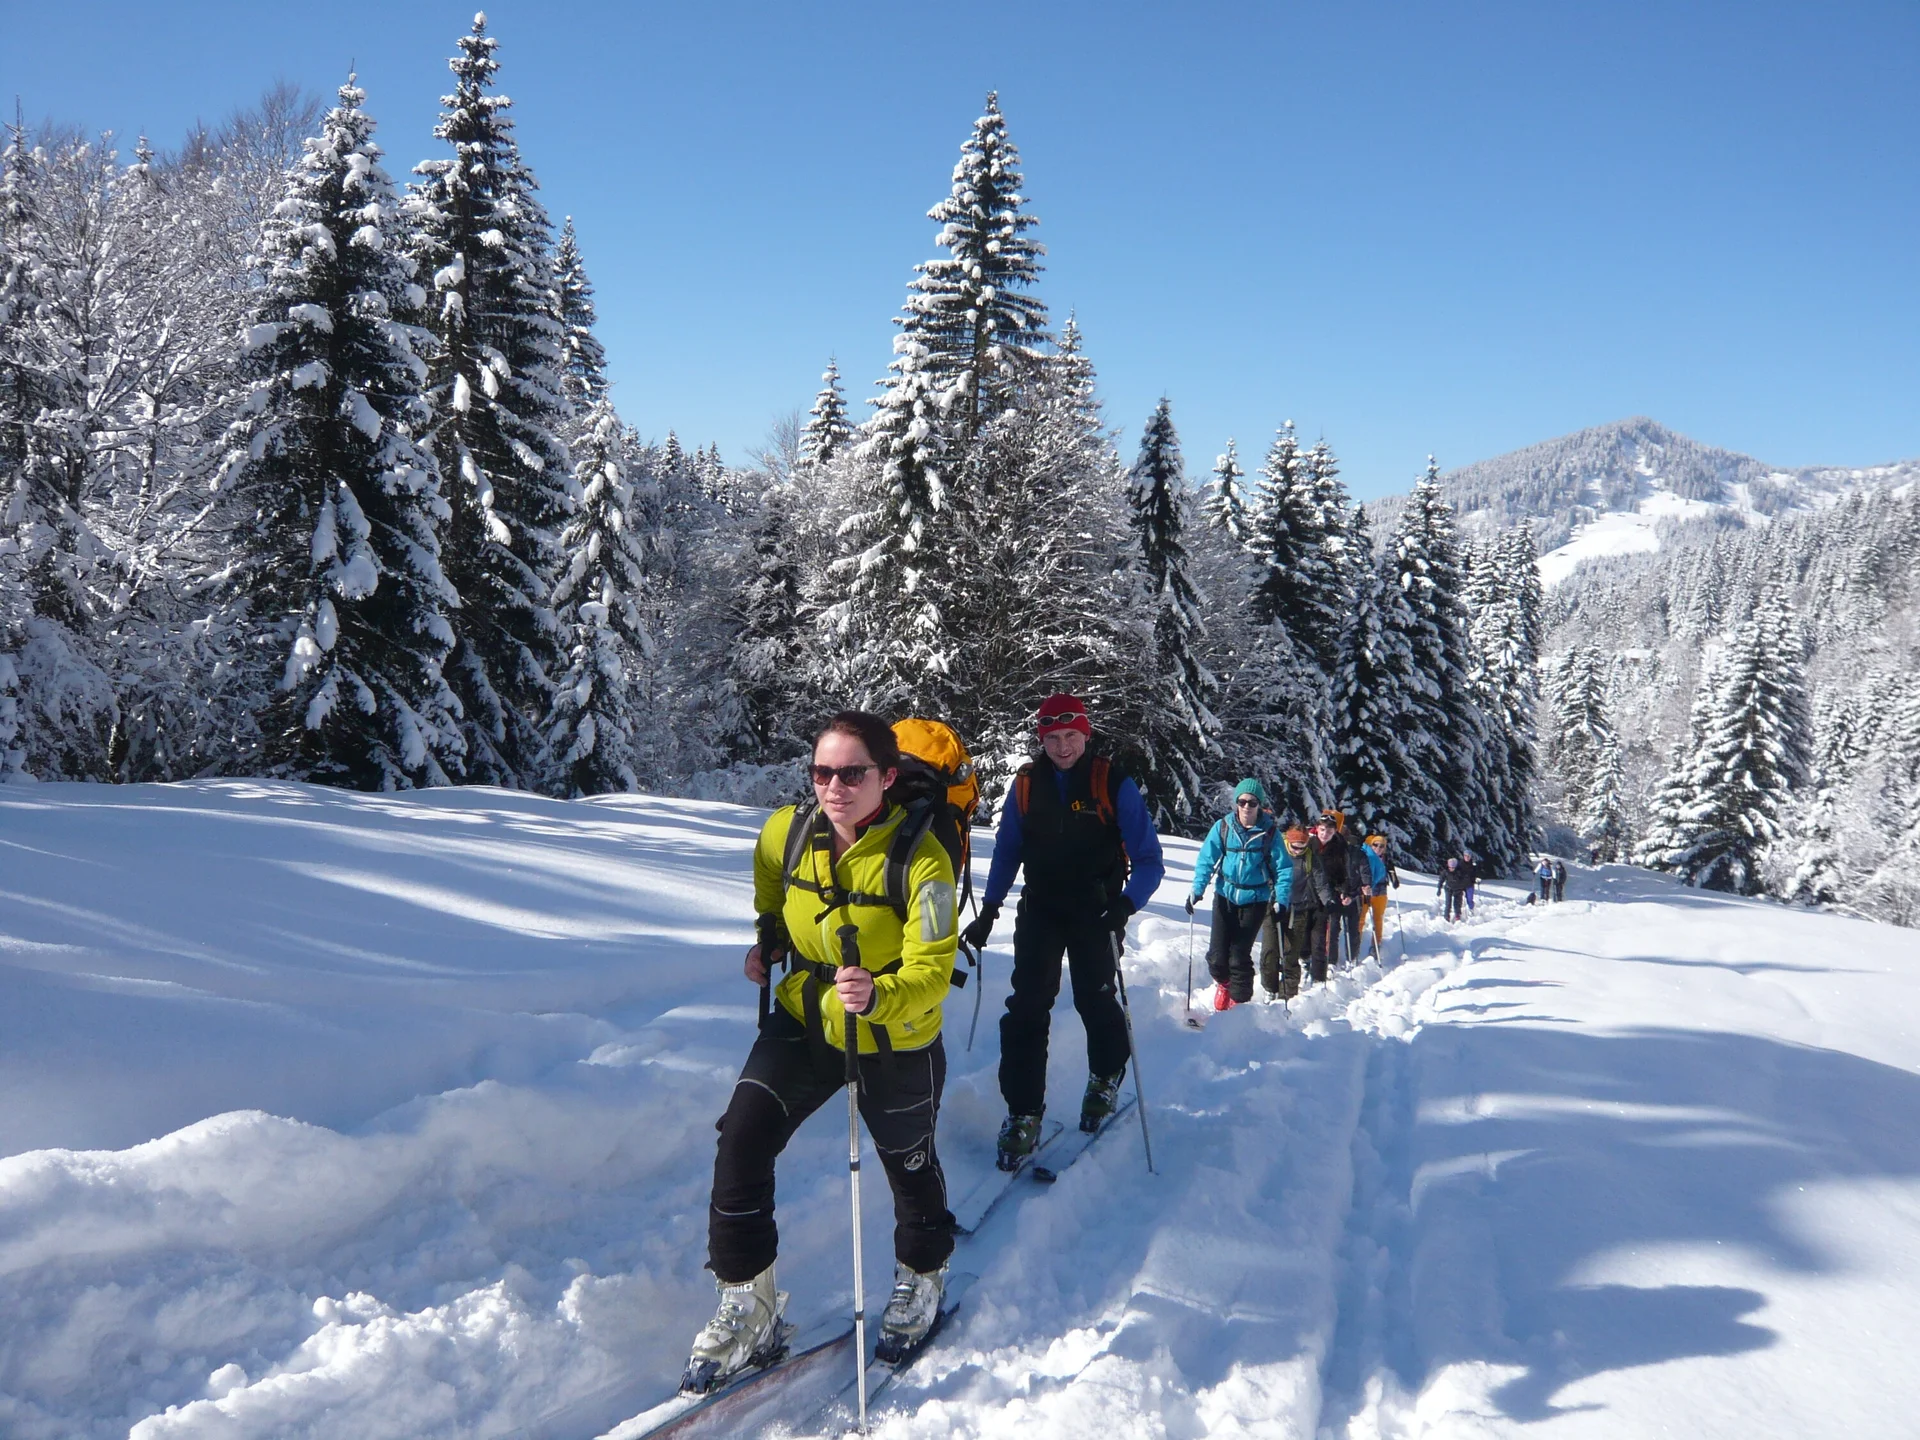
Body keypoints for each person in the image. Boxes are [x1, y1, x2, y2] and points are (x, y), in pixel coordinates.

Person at [687, 712, 960, 1389]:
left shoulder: (923, 859)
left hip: (894, 1031)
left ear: (886, 777)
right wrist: (771, 940)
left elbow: (932, 967)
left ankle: (921, 1275)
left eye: (852, 773)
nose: (834, 786)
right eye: (822, 772)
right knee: (742, 1137)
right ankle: (746, 1300)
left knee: (907, 1160)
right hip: (807, 1015)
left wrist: (879, 992)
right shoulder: (788, 829)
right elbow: (772, 887)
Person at [963, 694, 1166, 1169]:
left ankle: (1106, 1073)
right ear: (1041, 740)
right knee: (1026, 1008)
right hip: (1041, 909)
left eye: (1070, 735)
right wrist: (990, 908)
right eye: (1051, 738)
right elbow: (1008, 846)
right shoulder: (1028, 785)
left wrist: (1125, 905)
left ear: (1086, 734)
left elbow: (1150, 861)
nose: (1061, 746)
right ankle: (1023, 1112)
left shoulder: (1111, 782)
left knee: (1094, 998)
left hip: (1097, 912)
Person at [1187, 779, 1283, 1009]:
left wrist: (1282, 899)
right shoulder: (1223, 827)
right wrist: (1196, 890)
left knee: (1239, 955)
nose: (1247, 807)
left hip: (1255, 900)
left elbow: (1283, 868)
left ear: (1259, 805)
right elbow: (1206, 860)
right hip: (1225, 896)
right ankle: (1225, 984)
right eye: (1242, 802)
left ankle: (1239, 1005)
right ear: (1236, 803)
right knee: (1217, 957)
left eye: (1252, 802)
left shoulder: (1269, 833)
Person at [1278, 825, 1320, 991]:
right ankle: (1273, 985)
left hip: (1299, 905)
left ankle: (1288, 987)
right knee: (1277, 946)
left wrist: (1327, 899)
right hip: (1278, 905)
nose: (1297, 850)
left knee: (1294, 946)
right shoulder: (1280, 854)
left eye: (1302, 847)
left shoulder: (1309, 858)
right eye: (1295, 846)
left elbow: (1320, 880)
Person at [1362, 834, 1400, 957]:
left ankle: (1376, 944)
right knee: (1360, 918)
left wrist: (1394, 880)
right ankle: (1355, 943)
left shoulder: (1386, 860)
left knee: (1378, 919)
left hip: (1381, 893)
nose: (1378, 848)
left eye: (1381, 846)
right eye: (1375, 844)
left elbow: (1392, 873)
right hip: (1366, 892)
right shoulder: (1365, 857)